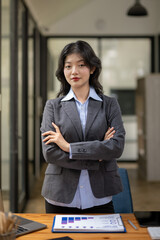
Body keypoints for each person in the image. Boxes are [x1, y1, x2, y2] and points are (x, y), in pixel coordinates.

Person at [40, 40, 125, 214]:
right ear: (63, 70)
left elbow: (116, 147)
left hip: (100, 194)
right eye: (68, 66)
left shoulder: (109, 105)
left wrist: (67, 147)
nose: (74, 72)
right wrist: (98, 154)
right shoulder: (53, 106)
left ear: (92, 68)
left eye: (81, 65)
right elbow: (50, 153)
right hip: (60, 195)